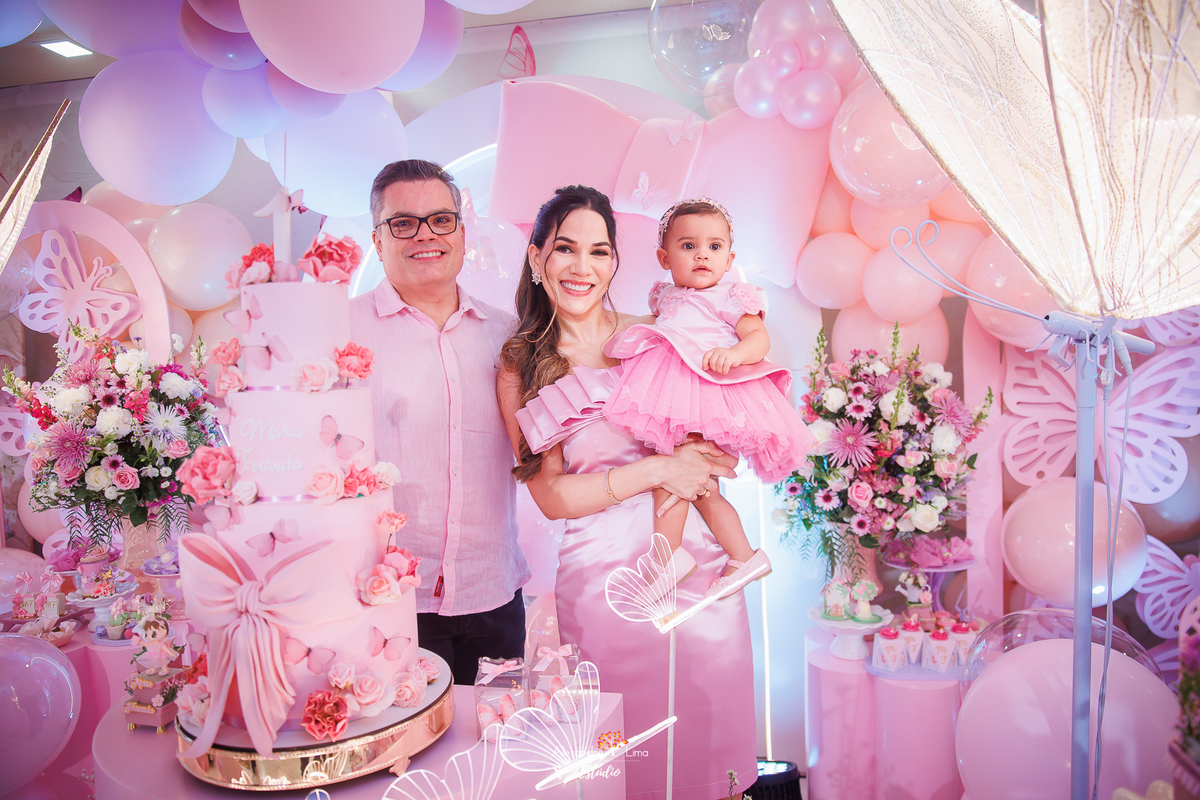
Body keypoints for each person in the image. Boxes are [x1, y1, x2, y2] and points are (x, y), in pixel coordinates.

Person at [497, 185, 758, 799]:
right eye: (565, 249)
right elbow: (551, 497)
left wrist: (715, 451)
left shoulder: (659, 333)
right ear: (537, 258)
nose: (582, 267)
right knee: (619, 761)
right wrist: (659, 469)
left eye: (598, 251)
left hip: (698, 572)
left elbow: (726, 419)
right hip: (606, 587)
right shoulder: (521, 366)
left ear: (615, 261)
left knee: (709, 751)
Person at [350, 159, 529, 685]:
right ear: (378, 240)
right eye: (403, 223)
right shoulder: (341, 330)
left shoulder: (508, 334)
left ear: (461, 233)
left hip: (493, 591)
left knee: (499, 734)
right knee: (403, 738)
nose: (425, 235)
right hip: (388, 599)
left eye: (440, 220)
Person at [604, 198, 816, 600]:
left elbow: (758, 339)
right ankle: (742, 556)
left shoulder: (731, 296)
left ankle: (668, 561)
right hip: (676, 392)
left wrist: (735, 354)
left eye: (714, 247)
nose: (702, 254)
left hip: (712, 397)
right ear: (664, 258)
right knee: (701, 487)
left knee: (673, 475)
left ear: (729, 258)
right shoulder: (665, 297)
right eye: (689, 246)